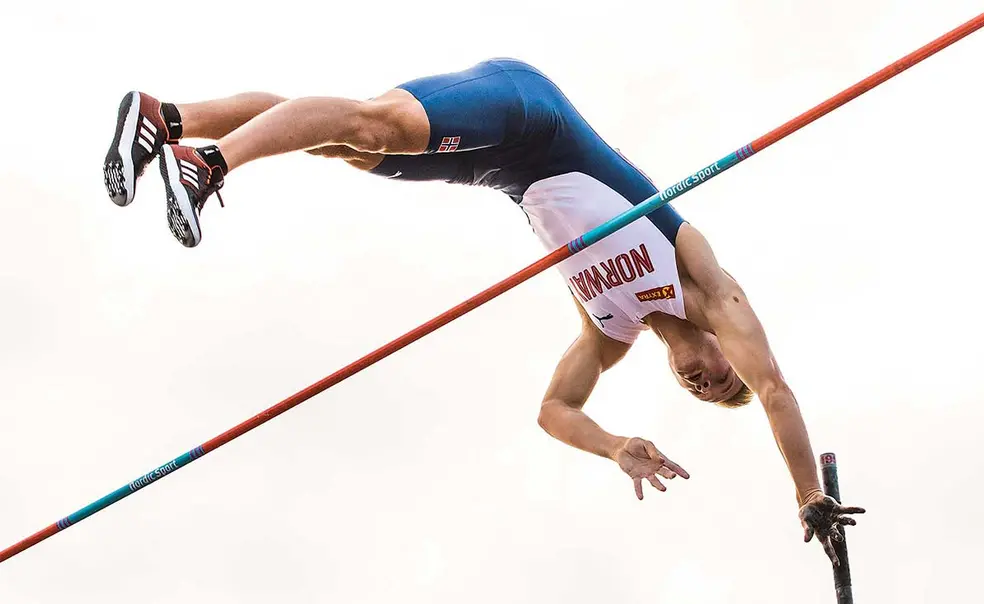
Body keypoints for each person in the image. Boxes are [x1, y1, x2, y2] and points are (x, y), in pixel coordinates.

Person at [103, 57, 863, 564]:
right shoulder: (700, 279)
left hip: (498, 168)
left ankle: (164, 121)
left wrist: (612, 445)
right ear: (725, 345)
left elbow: (554, 410)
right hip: (534, 117)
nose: (710, 385)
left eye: (704, 394)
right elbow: (778, 393)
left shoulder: (610, 330)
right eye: (723, 379)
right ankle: (208, 167)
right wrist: (807, 495)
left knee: (346, 139)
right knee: (370, 124)